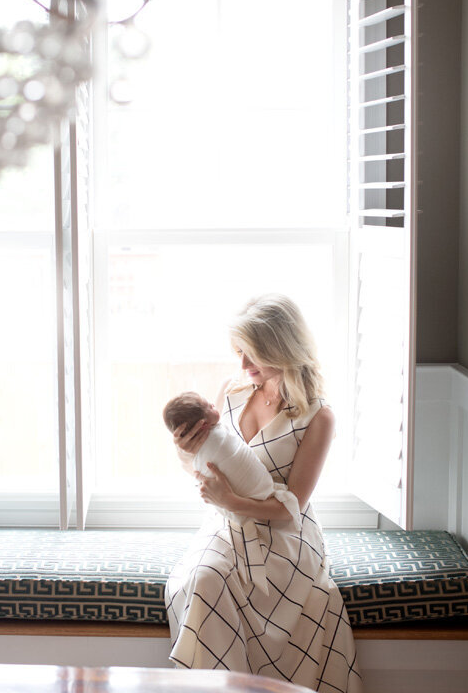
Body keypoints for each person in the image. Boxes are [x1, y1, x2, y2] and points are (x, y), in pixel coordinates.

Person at [164, 294, 362, 692]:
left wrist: (231, 501)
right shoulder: (233, 391)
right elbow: (208, 463)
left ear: (282, 349)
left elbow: (293, 507)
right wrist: (187, 452)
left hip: (284, 537)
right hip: (226, 526)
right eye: (239, 353)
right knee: (203, 580)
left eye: (252, 355)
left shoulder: (318, 417)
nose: (242, 365)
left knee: (268, 600)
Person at [162, 392, 294, 532]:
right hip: (227, 522)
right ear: (202, 424)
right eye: (208, 406)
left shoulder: (314, 413)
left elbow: (291, 509)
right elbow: (200, 473)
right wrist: (185, 453)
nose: (213, 405)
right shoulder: (231, 389)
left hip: (275, 517)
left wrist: (230, 502)